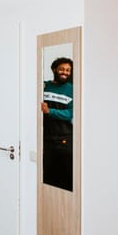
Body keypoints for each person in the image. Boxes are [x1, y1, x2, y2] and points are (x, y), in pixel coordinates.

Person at [41, 57, 73, 191]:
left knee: (65, 175)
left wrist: (50, 111)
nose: (64, 72)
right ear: (54, 69)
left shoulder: (72, 89)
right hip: (46, 137)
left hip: (64, 138)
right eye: (61, 69)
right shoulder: (45, 86)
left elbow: (71, 113)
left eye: (68, 70)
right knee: (47, 174)